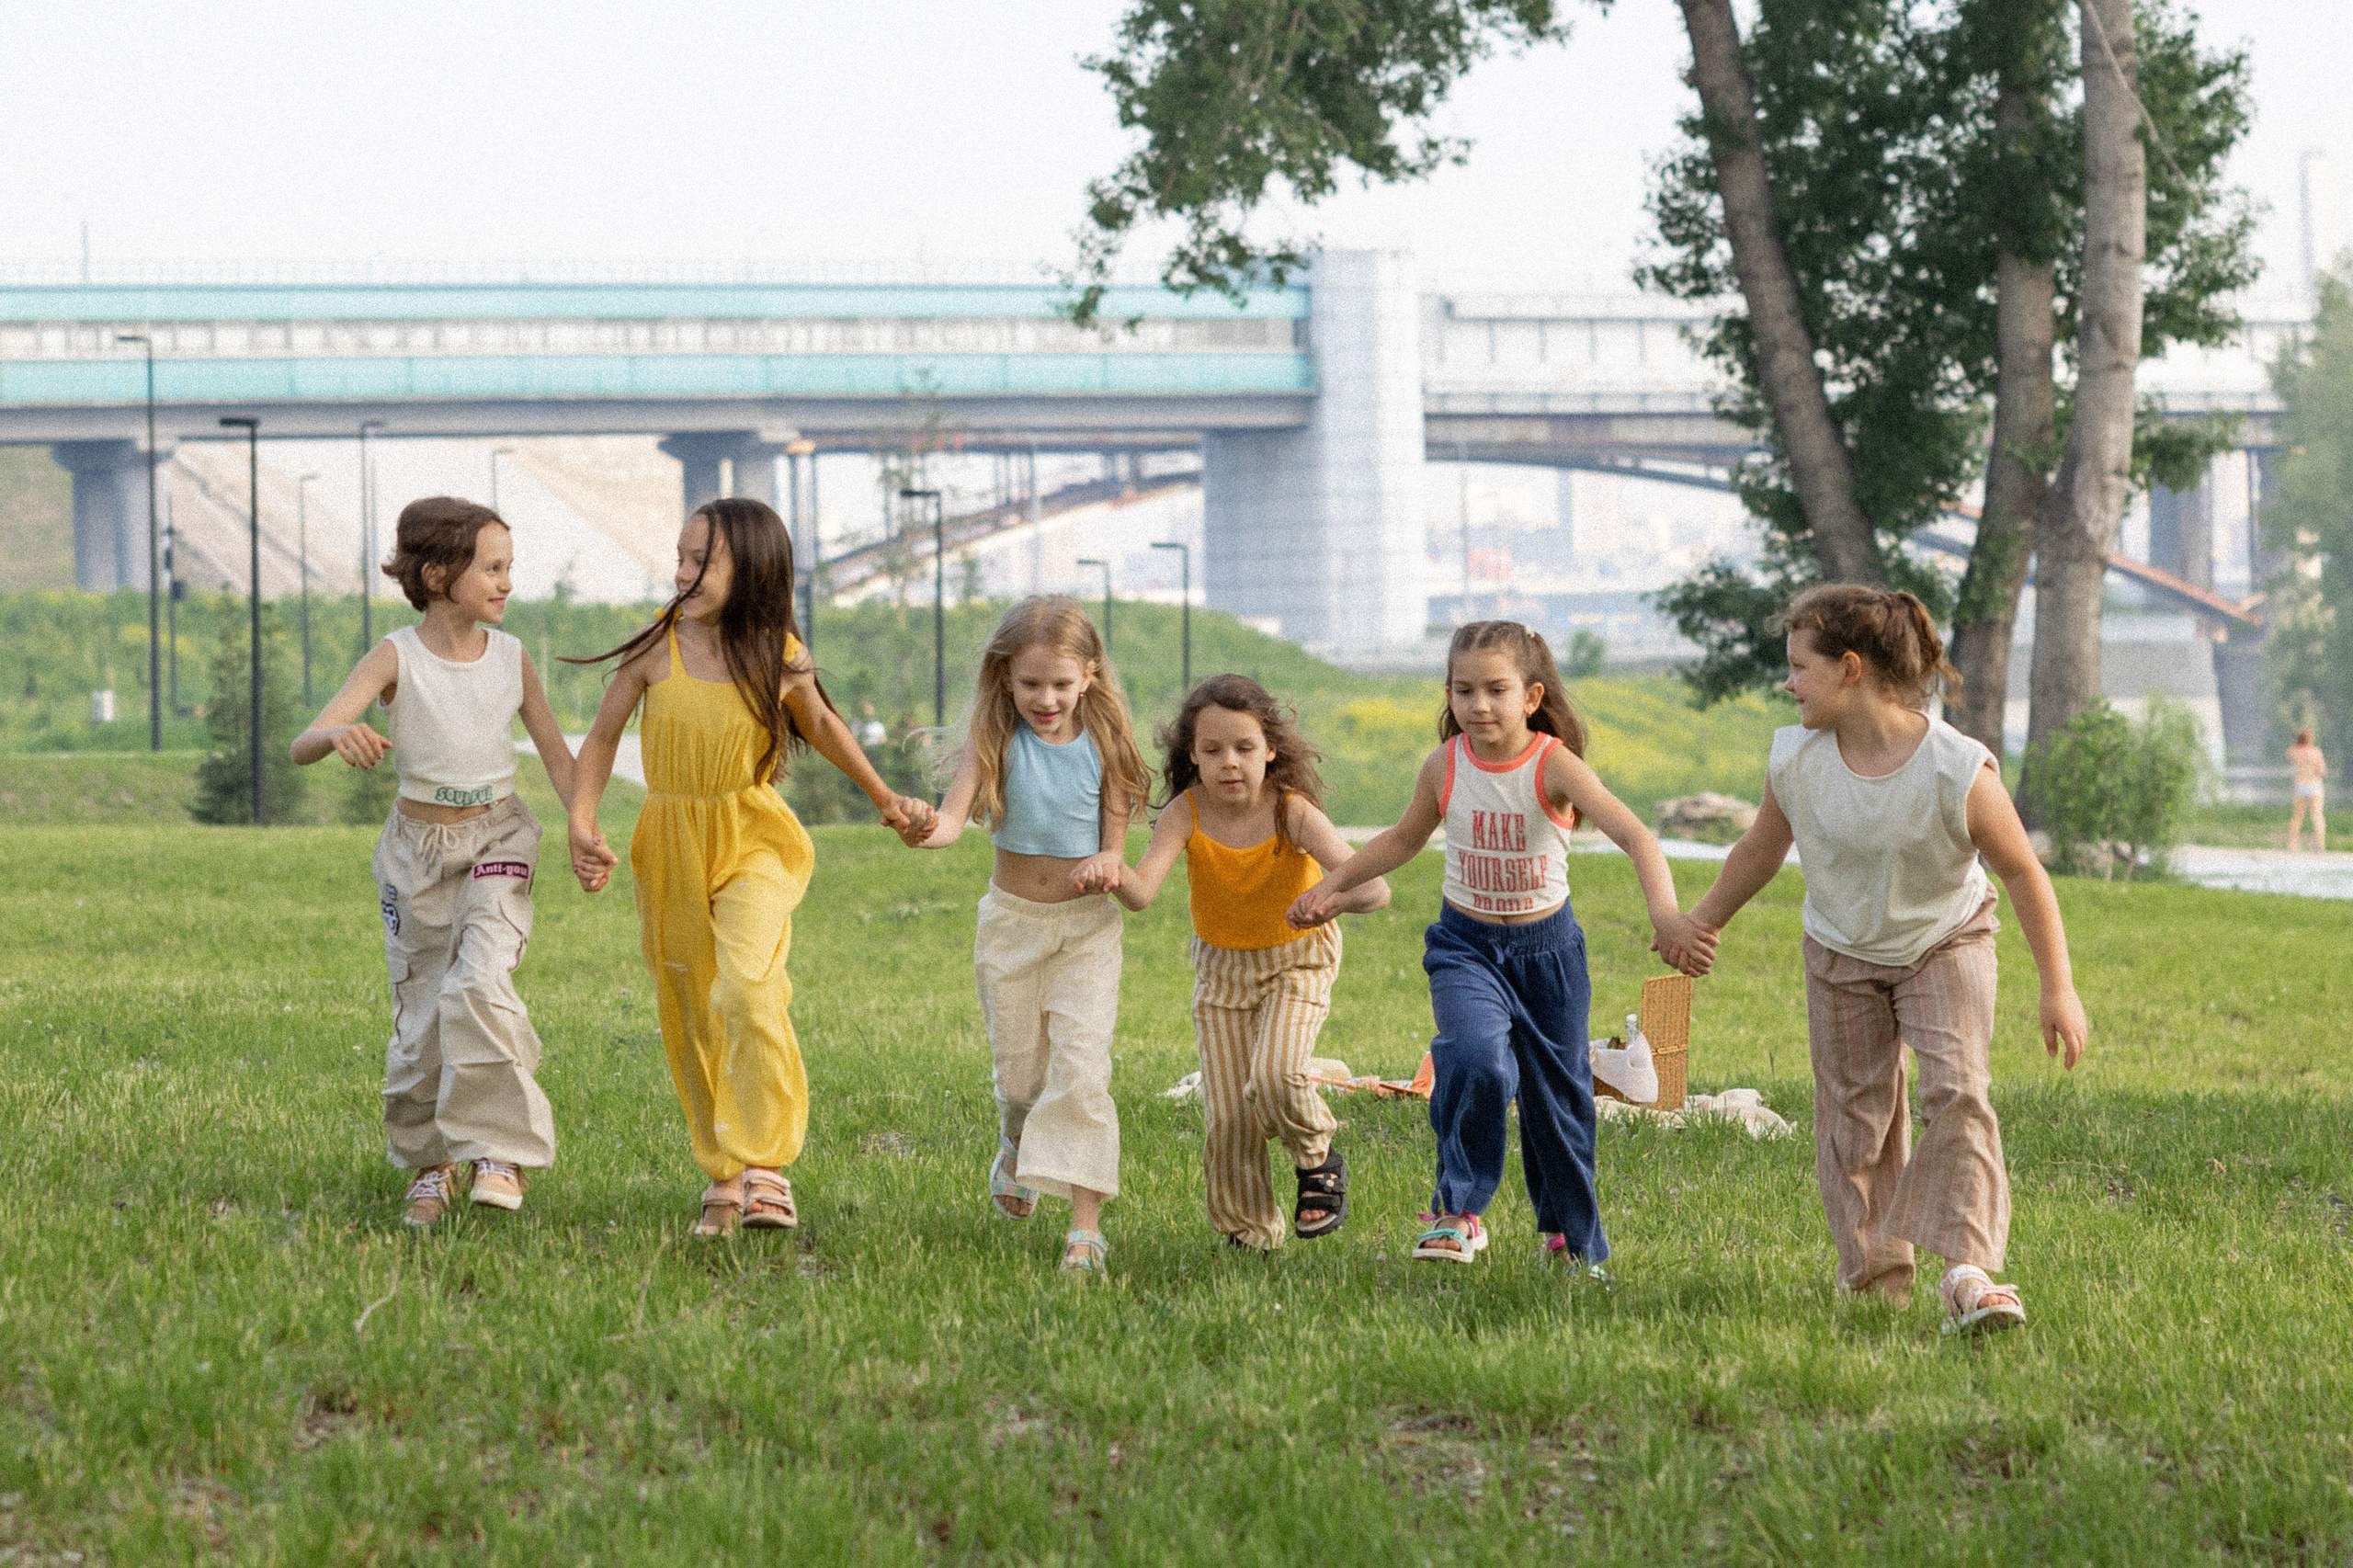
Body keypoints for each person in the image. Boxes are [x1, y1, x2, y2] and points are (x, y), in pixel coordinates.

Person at [1683, 585, 2088, 1336]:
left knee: (1958, 1090)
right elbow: (1761, 850)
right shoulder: (1796, 759)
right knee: (1855, 1121)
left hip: (1946, 938)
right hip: (1840, 950)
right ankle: (1874, 1281)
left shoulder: (1956, 768)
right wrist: (1700, 921)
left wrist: (2057, 988)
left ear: (1849, 669)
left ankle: (1969, 1273)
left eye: (1798, 666)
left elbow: (2024, 873)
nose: (1787, 682)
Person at [1288, 621, 1711, 1273]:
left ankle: (1570, 1240)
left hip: (1549, 956)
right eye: (1463, 690)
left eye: (1496, 690)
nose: (1478, 705)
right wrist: (1335, 888)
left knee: (1558, 1102)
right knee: (1473, 1056)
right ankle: (1457, 1214)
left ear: (1532, 695)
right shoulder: (1446, 764)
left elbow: (1638, 837)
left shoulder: (1553, 763)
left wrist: (1668, 916)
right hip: (1466, 946)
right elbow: (1402, 839)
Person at [566, 499, 935, 1239]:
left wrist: (886, 797)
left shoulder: (778, 653)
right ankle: (725, 1172)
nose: (683, 573)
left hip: (753, 834)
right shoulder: (654, 649)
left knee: (747, 985)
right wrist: (582, 822)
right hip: (670, 837)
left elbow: (823, 724)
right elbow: (603, 736)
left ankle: (767, 1166)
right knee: (691, 1005)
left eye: (703, 561)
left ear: (754, 570)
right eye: (680, 557)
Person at [290, 497, 576, 1227]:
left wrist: (583, 825)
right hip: (415, 852)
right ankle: (429, 1164)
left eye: (508, 567)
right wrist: (339, 735)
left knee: (480, 980)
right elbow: (308, 738)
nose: (506, 582)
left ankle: (500, 1152)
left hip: (499, 836)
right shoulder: (396, 655)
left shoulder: (512, 658)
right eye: (492, 568)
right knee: (423, 1016)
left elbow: (553, 751)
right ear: (438, 574)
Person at [1108, 676, 1391, 1251]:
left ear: (1270, 750)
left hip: (1298, 961)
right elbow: (1141, 893)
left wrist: (1328, 900)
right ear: (1192, 755)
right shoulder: (1184, 814)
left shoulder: (1293, 813)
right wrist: (1112, 872)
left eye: (1243, 748)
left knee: (1274, 1074)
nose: (1228, 763)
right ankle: (1250, 1234)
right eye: (1212, 750)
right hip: (1220, 973)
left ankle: (1317, 1159)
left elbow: (1375, 890)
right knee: (1230, 1117)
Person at [917, 596, 1150, 1275]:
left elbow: (1114, 848)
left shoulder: (1107, 748)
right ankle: (1015, 1139)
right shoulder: (996, 744)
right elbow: (950, 824)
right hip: (1013, 926)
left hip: (1086, 932)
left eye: (1059, 683)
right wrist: (917, 825)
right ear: (1004, 679)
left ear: (1090, 676)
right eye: (1029, 684)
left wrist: (1110, 861)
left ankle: (1085, 1229)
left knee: (1081, 1072)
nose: (1045, 698)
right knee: (1022, 1082)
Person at [2288, 727, 2328, 852]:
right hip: (2314, 785)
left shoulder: (2294, 752)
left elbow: (2289, 752)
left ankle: (2292, 845)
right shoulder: (2316, 752)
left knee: (2297, 816)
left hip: (2300, 785)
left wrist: (2297, 743)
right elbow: (2322, 770)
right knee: (2317, 816)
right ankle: (2320, 845)